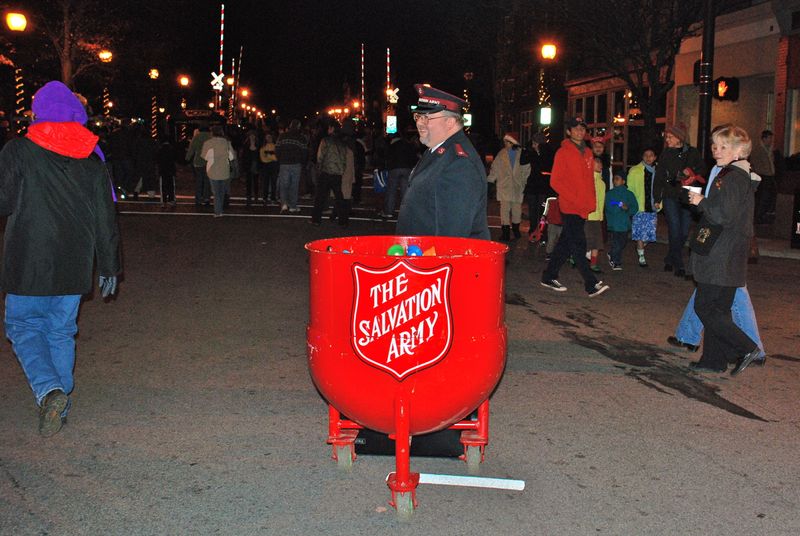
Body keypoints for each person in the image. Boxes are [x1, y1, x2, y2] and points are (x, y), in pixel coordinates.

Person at [0, 80, 121, 436]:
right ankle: (59, 402)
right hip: (75, 263)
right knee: (61, 331)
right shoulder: (93, 157)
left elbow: (3, 202)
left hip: (28, 260)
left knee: (23, 328)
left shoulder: (19, 151)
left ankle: (49, 390)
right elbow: (105, 217)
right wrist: (110, 265)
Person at [685, 125, 760, 375]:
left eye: (723, 146)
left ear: (739, 150)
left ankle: (746, 348)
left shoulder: (733, 177)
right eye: (715, 146)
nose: (717, 150)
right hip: (729, 252)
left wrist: (701, 201)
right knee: (719, 309)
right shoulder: (738, 175)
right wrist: (702, 204)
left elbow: (723, 216)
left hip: (721, 253)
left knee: (705, 307)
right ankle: (713, 360)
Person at [396, 84, 489, 239]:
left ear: (450, 122)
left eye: (427, 118)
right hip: (419, 254)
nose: (419, 123)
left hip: (434, 259)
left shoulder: (459, 163)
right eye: (418, 116)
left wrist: (431, 262)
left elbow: (451, 236)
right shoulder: (437, 151)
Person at [540, 116, 609, 297]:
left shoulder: (587, 152)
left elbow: (588, 181)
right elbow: (555, 181)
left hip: (582, 206)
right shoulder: (563, 152)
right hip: (570, 206)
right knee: (579, 244)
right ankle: (590, 283)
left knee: (566, 244)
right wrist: (574, 198)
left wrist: (590, 202)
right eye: (576, 128)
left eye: (582, 128)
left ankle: (548, 275)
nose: (580, 131)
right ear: (569, 131)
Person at [653, 123, 705, 278]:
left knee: (683, 232)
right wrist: (657, 197)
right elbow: (659, 177)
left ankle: (670, 258)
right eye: (667, 137)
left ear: (679, 138)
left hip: (688, 196)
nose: (667, 140)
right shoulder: (666, 154)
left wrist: (691, 173)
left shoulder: (692, 152)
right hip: (670, 195)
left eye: (670, 137)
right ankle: (679, 264)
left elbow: (702, 169)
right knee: (675, 229)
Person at [487, 132, 530, 241]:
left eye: (507, 142)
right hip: (505, 185)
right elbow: (495, 168)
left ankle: (515, 230)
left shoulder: (521, 154)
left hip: (516, 186)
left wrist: (524, 182)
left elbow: (526, 170)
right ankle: (506, 232)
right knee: (506, 209)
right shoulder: (502, 154)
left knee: (515, 209)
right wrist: (490, 180)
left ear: (511, 142)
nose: (505, 143)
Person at [311, 122, 351, 227]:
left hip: (326, 171)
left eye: (329, 127)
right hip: (337, 173)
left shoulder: (325, 141)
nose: (328, 129)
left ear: (332, 129)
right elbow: (344, 159)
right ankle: (343, 221)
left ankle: (316, 219)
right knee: (339, 197)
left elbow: (320, 156)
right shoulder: (342, 143)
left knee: (320, 196)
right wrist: (341, 170)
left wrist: (319, 168)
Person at [627, 148, 658, 267]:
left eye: (651, 155)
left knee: (650, 235)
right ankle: (641, 256)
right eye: (646, 155)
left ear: (655, 157)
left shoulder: (658, 171)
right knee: (640, 234)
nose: (648, 157)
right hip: (639, 208)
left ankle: (640, 247)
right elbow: (630, 189)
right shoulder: (635, 170)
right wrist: (631, 204)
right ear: (642, 157)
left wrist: (659, 203)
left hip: (652, 207)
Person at [604, 170, 639, 270]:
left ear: (623, 181)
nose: (615, 181)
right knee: (616, 243)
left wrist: (627, 208)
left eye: (617, 179)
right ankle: (616, 262)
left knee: (623, 242)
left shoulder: (629, 194)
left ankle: (611, 254)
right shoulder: (610, 194)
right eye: (614, 179)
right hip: (614, 223)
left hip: (624, 224)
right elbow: (608, 206)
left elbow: (634, 207)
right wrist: (619, 207)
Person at [382, 129, 418, 219]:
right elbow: (413, 156)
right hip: (407, 168)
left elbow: (387, 157)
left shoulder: (392, 146)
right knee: (405, 191)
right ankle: (406, 212)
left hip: (395, 168)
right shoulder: (407, 144)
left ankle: (389, 211)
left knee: (391, 190)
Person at [201, 125, 236, 218]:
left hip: (212, 170)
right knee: (221, 191)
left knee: (216, 192)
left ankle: (218, 211)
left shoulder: (208, 143)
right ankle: (220, 209)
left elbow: (204, 156)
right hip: (224, 169)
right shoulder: (227, 143)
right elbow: (232, 157)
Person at [522, 132, 552, 240]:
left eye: (535, 143)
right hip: (533, 185)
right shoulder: (532, 153)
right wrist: (529, 150)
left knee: (542, 210)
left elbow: (546, 166)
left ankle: (542, 232)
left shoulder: (548, 153)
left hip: (543, 186)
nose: (533, 145)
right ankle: (533, 230)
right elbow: (523, 161)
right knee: (533, 210)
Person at [275, 119, 308, 214]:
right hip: (296, 164)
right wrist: (302, 162)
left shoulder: (282, 136)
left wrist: (280, 159)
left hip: (284, 163)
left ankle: (284, 204)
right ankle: (293, 206)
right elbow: (305, 152)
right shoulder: (301, 138)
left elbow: (277, 149)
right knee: (294, 185)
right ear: (298, 127)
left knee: (284, 185)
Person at [750, 129, 776, 223]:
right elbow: (755, 163)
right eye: (769, 138)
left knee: (768, 197)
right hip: (763, 175)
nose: (771, 141)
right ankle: (758, 217)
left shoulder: (769, 150)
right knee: (762, 197)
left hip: (769, 175)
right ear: (764, 139)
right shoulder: (758, 150)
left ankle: (762, 215)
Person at [586, 156, 606, 272]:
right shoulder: (587, 180)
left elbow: (601, 201)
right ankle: (576, 258)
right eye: (596, 163)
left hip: (597, 217)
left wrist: (601, 215)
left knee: (597, 242)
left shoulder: (602, 183)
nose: (599, 165)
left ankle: (593, 264)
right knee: (586, 240)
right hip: (587, 216)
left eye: (600, 163)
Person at [186, 126, 212, 207]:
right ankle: (206, 198)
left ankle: (198, 199)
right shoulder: (211, 137)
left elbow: (191, 148)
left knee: (199, 181)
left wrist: (187, 158)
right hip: (209, 161)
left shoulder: (197, 137)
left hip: (198, 161)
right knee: (207, 181)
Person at [259, 133, 279, 205]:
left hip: (274, 166)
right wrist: (272, 156)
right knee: (265, 183)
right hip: (266, 166)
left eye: (270, 137)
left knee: (274, 183)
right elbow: (263, 159)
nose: (269, 138)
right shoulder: (263, 147)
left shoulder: (275, 146)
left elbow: (277, 158)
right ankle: (265, 198)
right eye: (267, 137)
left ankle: (273, 198)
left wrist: (268, 155)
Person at [157, 138, 177, 206]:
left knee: (163, 185)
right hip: (171, 170)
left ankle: (163, 200)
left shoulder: (160, 150)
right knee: (171, 185)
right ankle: (171, 199)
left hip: (162, 170)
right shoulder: (172, 149)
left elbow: (157, 160)